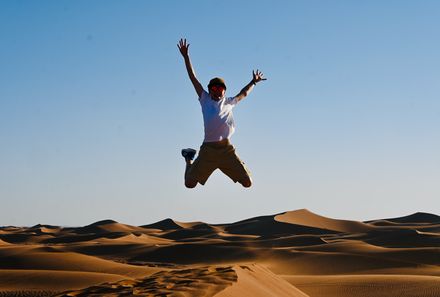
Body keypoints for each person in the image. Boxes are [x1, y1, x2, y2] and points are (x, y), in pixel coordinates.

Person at [178, 38, 266, 188]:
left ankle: (240, 166)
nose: (217, 91)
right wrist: (186, 57)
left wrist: (253, 82)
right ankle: (189, 158)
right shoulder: (204, 99)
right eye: (213, 88)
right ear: (210, 89)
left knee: (247, 183)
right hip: (208, 150)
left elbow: (243, 93)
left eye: (220, 89)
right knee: (189, 184)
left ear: (224, 91)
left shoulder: (229, 102)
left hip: (226, 150)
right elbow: (193, 78)